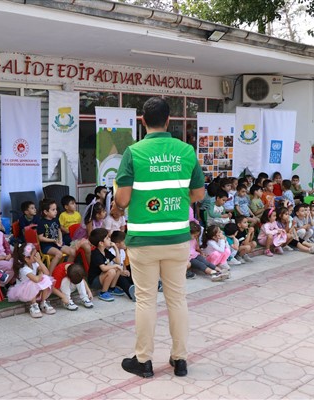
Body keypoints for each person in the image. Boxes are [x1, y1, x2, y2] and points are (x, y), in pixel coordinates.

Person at [114, 97, 205, 378]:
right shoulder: (186, 151)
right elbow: (199, 195)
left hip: (143, 241)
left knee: (146, 300)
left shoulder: (133, 152)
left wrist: (118, 190)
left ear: (143, 121)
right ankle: (180, 360)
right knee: (177, 299)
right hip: (177, 239)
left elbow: (122, 200)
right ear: (169, 121)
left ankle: (144, 361)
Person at [7, 243, 56, 318]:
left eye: (36, 254)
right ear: (27, 259)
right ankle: (33, 305)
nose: (37, 256)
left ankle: (43, 302)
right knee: (32, 282)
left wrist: (39, 262)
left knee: (46, 278)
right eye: (35, 255)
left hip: (33, 288)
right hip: (23, 291)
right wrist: (41, 273)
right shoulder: (24, 269)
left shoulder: (34, 263)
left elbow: (47, 273)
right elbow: (36, 279)